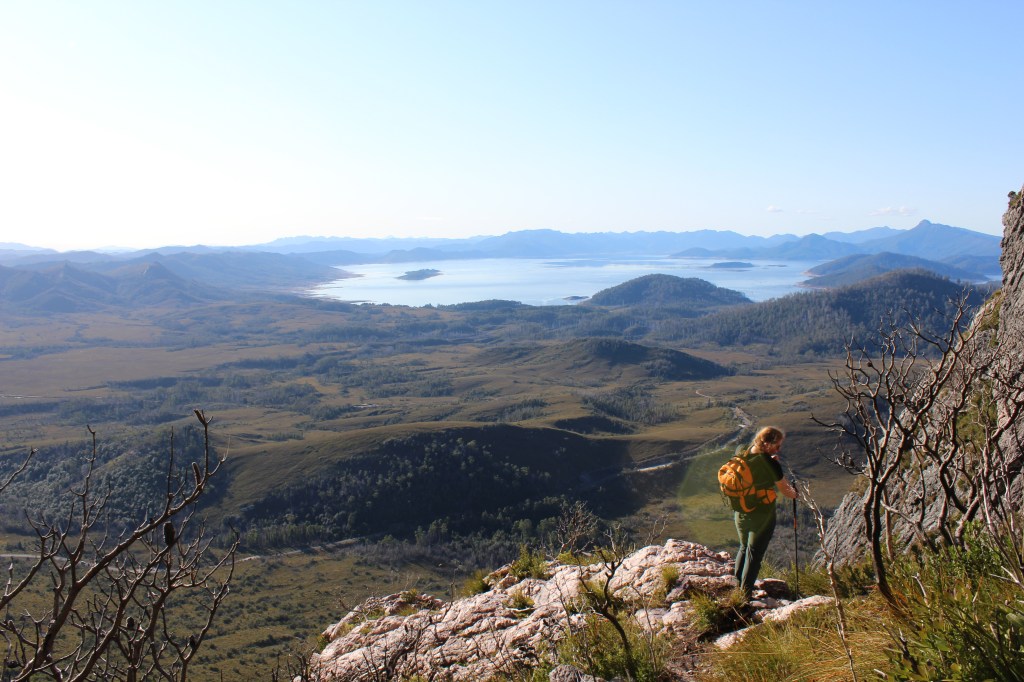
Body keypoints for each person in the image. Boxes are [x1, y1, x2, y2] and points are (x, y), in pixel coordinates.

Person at [732, 426, 798, 597]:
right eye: (777, 446)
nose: (779, 449)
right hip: (762, 515)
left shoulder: (742, 450)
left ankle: (736, 588)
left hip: (741, 511)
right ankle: (744, 596)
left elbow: (752, 471)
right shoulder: (770, 463)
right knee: (754, 554)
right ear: (768, 444)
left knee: (744, 547)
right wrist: (795, 493)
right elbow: (785, 490)